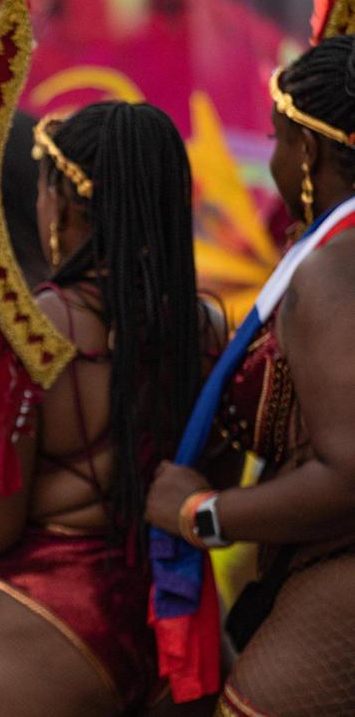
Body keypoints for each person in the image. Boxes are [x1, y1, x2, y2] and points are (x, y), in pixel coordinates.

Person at [0, 102, 224, 716]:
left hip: (45, 638)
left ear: (63, 205)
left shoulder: (31, 326)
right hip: (176, 631)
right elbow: (213, 485)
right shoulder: (204, 330)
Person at [146, 35, 355, 716]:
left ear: (309, 150)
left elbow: (350, 473)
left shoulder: (333, 270)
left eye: (276, 137)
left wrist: (201, 514)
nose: (271, 158)